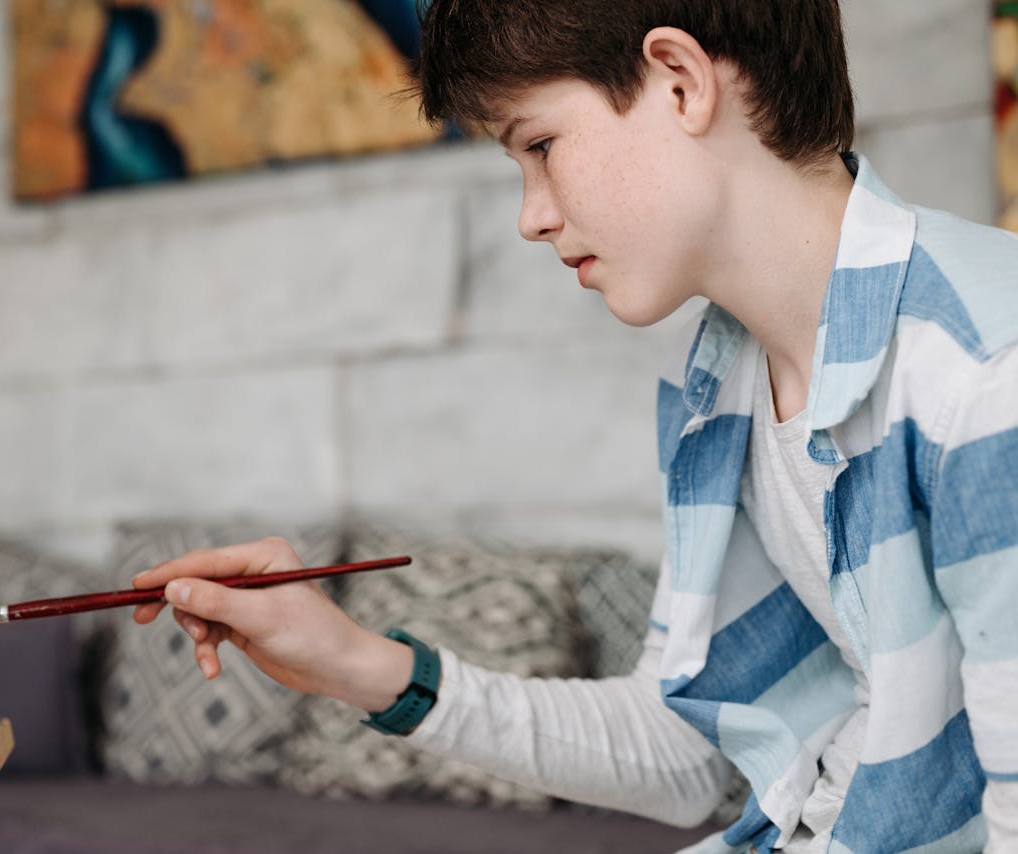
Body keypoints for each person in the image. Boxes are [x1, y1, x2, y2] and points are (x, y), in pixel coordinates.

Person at [130, 2, 1018, 850]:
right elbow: (683, 747)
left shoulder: (983, 372)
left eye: (541, 146)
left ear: (678, 80)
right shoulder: (723, 386)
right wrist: (353, 663)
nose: (532, 216)